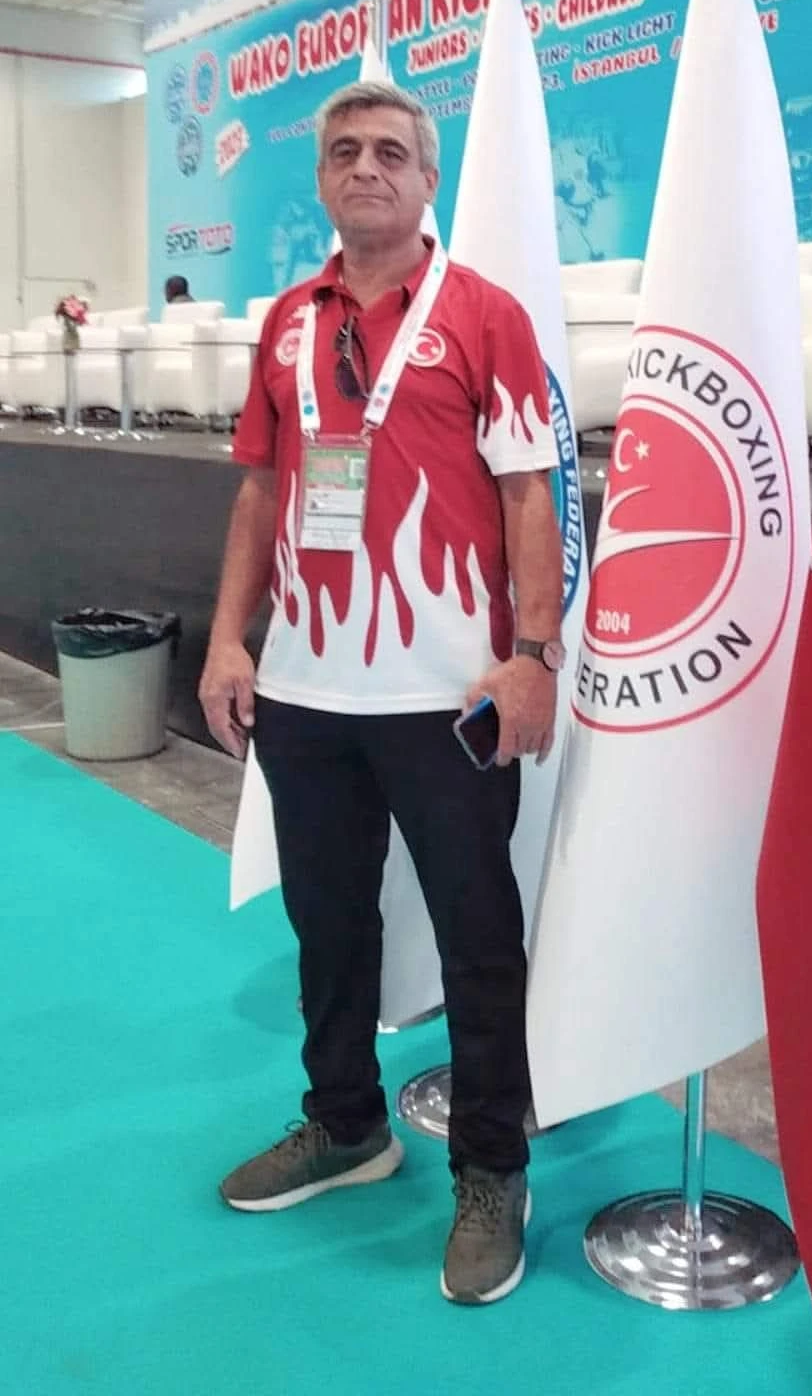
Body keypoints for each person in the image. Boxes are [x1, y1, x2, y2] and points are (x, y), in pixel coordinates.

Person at [199, 80, 564, 1305]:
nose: (367, 167)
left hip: (448, 696)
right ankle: (348, 1123)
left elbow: (529, 492)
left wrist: (533, 654)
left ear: (427, 179)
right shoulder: (285, 323)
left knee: (478, 940)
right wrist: (230, 641)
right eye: (346, 151)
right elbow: (260, 488)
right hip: (305, 693)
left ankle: (492, 1169)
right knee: (330, 926)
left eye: (391, 152)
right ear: (321, 179)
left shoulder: (485, 315)